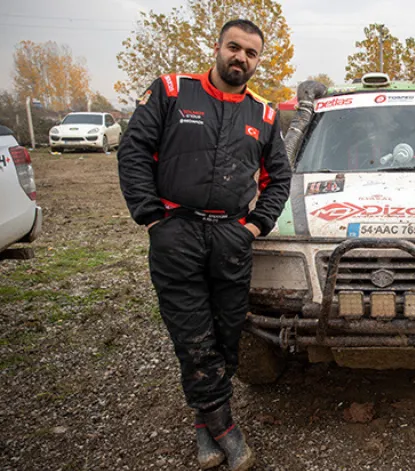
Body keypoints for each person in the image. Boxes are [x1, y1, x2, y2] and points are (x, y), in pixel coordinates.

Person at [117, 19, 291, 471]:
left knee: (227, 333)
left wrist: (255, 226)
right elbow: (134, 150)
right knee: (193, 336)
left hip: (231, 237)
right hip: (177, 233)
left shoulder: (264, 114)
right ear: (218, 48)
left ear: (256, 61)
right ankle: (226, 428)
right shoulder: (173, 90)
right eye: (234, 48)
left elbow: (279, 178)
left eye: (251, 53)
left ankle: (202, 423)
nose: (241, 58)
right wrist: (152, 217)